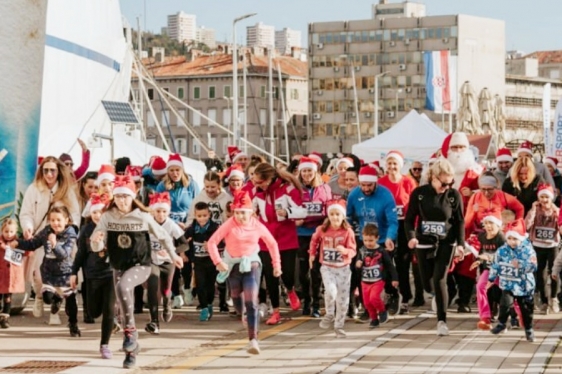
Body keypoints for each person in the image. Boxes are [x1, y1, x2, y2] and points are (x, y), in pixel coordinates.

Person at [90, 175, 183, 369]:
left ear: (132, 197)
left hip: (141, 265)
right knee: (126, 305)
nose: (122, 201)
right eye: (118, 197)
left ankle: (130, 333)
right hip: (118, 265)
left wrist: (174, 255)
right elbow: (96, 243)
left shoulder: (143, 216)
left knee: (123, 287)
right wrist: (98, 240)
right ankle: (131, 353)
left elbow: (164, 236)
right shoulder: (108, 216)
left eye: (126, 197)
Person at [207, 191, 282, 355]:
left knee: (251, 298)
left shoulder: (257, 225)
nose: (240, 216)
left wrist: (276, 265)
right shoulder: (229, 224)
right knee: (237, 299)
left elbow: (272, 243)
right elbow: (212, 242)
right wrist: (218, 262)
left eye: (244, 213)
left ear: (251, 212)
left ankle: (253, 340)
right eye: (237, 212)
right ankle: (246, 314)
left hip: (251, 263)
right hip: (232, 265)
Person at [404, 159, 465, 336]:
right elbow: (409, 219)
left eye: (450, 183)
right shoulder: (420, 193)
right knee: (427, 284)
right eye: (443, 183)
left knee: (440, 279)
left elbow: (459, 221)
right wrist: (412, 238)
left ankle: (442, 321)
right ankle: (441, 294)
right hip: (423, 242)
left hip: (446, 241)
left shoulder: (454, 195)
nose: (446, 187)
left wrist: (460, 244)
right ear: (433, 177)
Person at [19, 156, 81, 321]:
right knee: (40, 277)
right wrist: (28, 227)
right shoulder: (34, 189)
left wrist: (71, 231)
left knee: (63, 278)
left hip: (63, 240)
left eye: (52, 170)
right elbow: (26, 213)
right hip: (42, 237)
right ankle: (39, 297)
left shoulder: (66, 190)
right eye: (45, 170)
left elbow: (75, 214)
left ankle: (55, 310)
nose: (49, 173)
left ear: (58, 171)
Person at [251, 162, 307, 325]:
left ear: (269, 179)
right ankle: (275, 311)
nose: (256, 185)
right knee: (270, 277)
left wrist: (288, 212)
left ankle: (290, 289)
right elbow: (250, 209)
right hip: (266, 239)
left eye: (259, 182)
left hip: (286, 238)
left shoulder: (288, 189)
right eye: (255, 182)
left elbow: (302, 211)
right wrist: (252, 215)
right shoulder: (257, 192)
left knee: (287, 274)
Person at [16, 206, 79, 334]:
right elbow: (32, 244)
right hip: (49, 272)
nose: (55, 223)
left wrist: (54, 244)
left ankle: (73, 325)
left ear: (66, 220)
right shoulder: (47, 231)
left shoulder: (70, 234)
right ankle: (56, 298)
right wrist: (17, 243)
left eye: (59, 220)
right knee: (47, 298)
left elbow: (64, 255)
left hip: (65, 272)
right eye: (52, 220)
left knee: (71, 302)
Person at [346, 165, 398, 313]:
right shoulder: (354, 195)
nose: (366, 188)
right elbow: (349, 217)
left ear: (376, 183)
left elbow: (393, 221)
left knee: (385, 272)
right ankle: (367, 307)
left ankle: (392, 294)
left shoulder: (386, 195)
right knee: (364, 272)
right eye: (363, 185)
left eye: (369, 185)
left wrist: (390, 238)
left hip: (382, 238)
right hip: (365, 238)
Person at [70, 193, 115, 358]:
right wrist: (74, 272)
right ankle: (103, 314)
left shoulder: (113, 227)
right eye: (95, 212)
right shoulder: (86, 230)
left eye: (102, 212)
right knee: (94, 312)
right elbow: (81, 253)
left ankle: (104, 344)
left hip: (111, 273)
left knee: (109, 310)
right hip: (91, 275)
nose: (98, 215)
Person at [156, 153, 200, 309]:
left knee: (186, 258)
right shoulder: (162, 186)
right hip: (169, 224)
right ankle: (176, 294)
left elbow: (197, 205)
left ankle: (187, 287)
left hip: (187, 225)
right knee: (171, 258)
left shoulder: (191, 185)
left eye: (177, 170)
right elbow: (159, 205)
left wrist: (187, 224)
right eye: (172, 170)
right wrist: (173, 223)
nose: (175, 173)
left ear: (182, 170)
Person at [310, 199, 357, 338]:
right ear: (328, 216)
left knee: (343, 299)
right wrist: (312, 254)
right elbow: (314, 241)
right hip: (327, 266)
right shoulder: (322, 229)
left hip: (343, 268)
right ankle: (330, 313)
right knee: (331, 290)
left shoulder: (348, 231)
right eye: (332, 214)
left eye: (338, 214)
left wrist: (345, 251)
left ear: (343, 216)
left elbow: (353, 250)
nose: (335, 217)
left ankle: (339, 326)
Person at [378, 150, 417, 315]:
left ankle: (405, 298)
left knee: (403, 263)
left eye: (395, 164)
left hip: (403, 226)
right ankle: (391, 294)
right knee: (386, 262)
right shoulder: (381, 183)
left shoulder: (408, 182)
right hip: (386, 227)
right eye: (389, 163)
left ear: (400, 165)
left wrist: (414, 229)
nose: (392, 166)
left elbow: (414, 206)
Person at [488, 219, 537, 342]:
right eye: (509, 238)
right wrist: (491, 278)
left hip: (524, 285)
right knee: (504, 304)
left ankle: (529, 329)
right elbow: (495, 265)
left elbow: (533, 266)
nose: (512, 242)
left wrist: (520, 265)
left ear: (522, 238)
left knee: (526, 309)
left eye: (515, 239)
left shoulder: (528, 250)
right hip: (508, 283)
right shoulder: (502, 250)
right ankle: (502, 323)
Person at [145, 192, 186, 335]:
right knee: (153, 286)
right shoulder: (148, 223)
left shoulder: (171, 225)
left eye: (164, 211)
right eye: (158, 211)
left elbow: (185, 244)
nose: (161, 215)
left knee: (166, 290)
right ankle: (154, 321)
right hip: (152, 261)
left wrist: (172, 251)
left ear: (168, 212)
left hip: (168, 261)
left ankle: (167, 305)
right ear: (153, 211)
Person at [296, 156, 332, 317]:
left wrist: (324, 220)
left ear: (315, 171)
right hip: (301, 234)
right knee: (304, 271)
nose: (306, 174)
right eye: (304, 170)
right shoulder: (295, 188)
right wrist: (298, 218)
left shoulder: (324, 188)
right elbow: (292, 208)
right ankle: (306, 302)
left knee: (316, 270)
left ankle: (316, 303)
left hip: (318, 234)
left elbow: (329, 208)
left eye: (309, 170)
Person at [524, 184, 560, 314]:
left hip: (552, 246)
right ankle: (544, 301)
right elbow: (526, 225)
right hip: (537, 246)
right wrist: (533, 210)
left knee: (554, 271)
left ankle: (554, 298)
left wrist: (557, 215)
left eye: (547, 197)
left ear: (551, 198)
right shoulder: (535, 210)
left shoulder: (556, 210)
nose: (544, 200)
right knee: (540, 274)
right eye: (542, 197)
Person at [185, 202, 223, 321]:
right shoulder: (191, 229)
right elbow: (183, 241)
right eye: (199, 216)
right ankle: (204, 308)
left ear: (209, 214)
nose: (202, 219)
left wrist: (213, 245)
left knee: (210, 285)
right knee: (200, 284)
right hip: (198, 262)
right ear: (195, 215)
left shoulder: (215, 228)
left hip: (211, 261)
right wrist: (184, 251)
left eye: (204, 215)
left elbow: (222, 242)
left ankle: (210, 303)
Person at [356, 223, 398, 328]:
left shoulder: (381, 251)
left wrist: (394, 278)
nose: (368, 243)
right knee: (367, 302)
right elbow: (358, 261)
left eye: (371, 240)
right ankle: (374, 319)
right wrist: (358, 264)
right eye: (365, 240)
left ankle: (382, 311)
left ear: (377, 238)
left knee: (374, 298)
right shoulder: (362, 250)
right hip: (365, 281)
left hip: (378, 281)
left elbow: (390, 265)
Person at [468, 215, 505, 330]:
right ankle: (485, 317)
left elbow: (504, 257)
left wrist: (488, 257)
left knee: (508, 294)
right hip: (489, 270)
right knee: (480, 286)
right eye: (486, 223)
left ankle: (518, 316)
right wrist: (479, 261)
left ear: (498, 225)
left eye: (491, 223)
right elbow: (480, 251)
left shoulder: (501, 238)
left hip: (503, 271)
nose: (488, 226)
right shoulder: (482, 237)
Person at [464, 172, 524, 236]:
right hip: (481, 234)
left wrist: (515, 225)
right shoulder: (475, 197)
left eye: (490, 189)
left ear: (495, 188)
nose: (486, 193)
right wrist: (473, 212)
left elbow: (520, 208)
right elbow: (466, 224)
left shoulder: (502, 196)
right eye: (483, 189)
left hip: (499, 233)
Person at [0, 219, 26, 329]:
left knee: (8, 298)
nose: (9, 234)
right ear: (2, 231)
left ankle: (4, 319)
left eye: (11, 232)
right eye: (6, 231)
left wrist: (28, 238)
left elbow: (28, 251)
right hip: (1, 276)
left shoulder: (18, 243)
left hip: (10, 278)